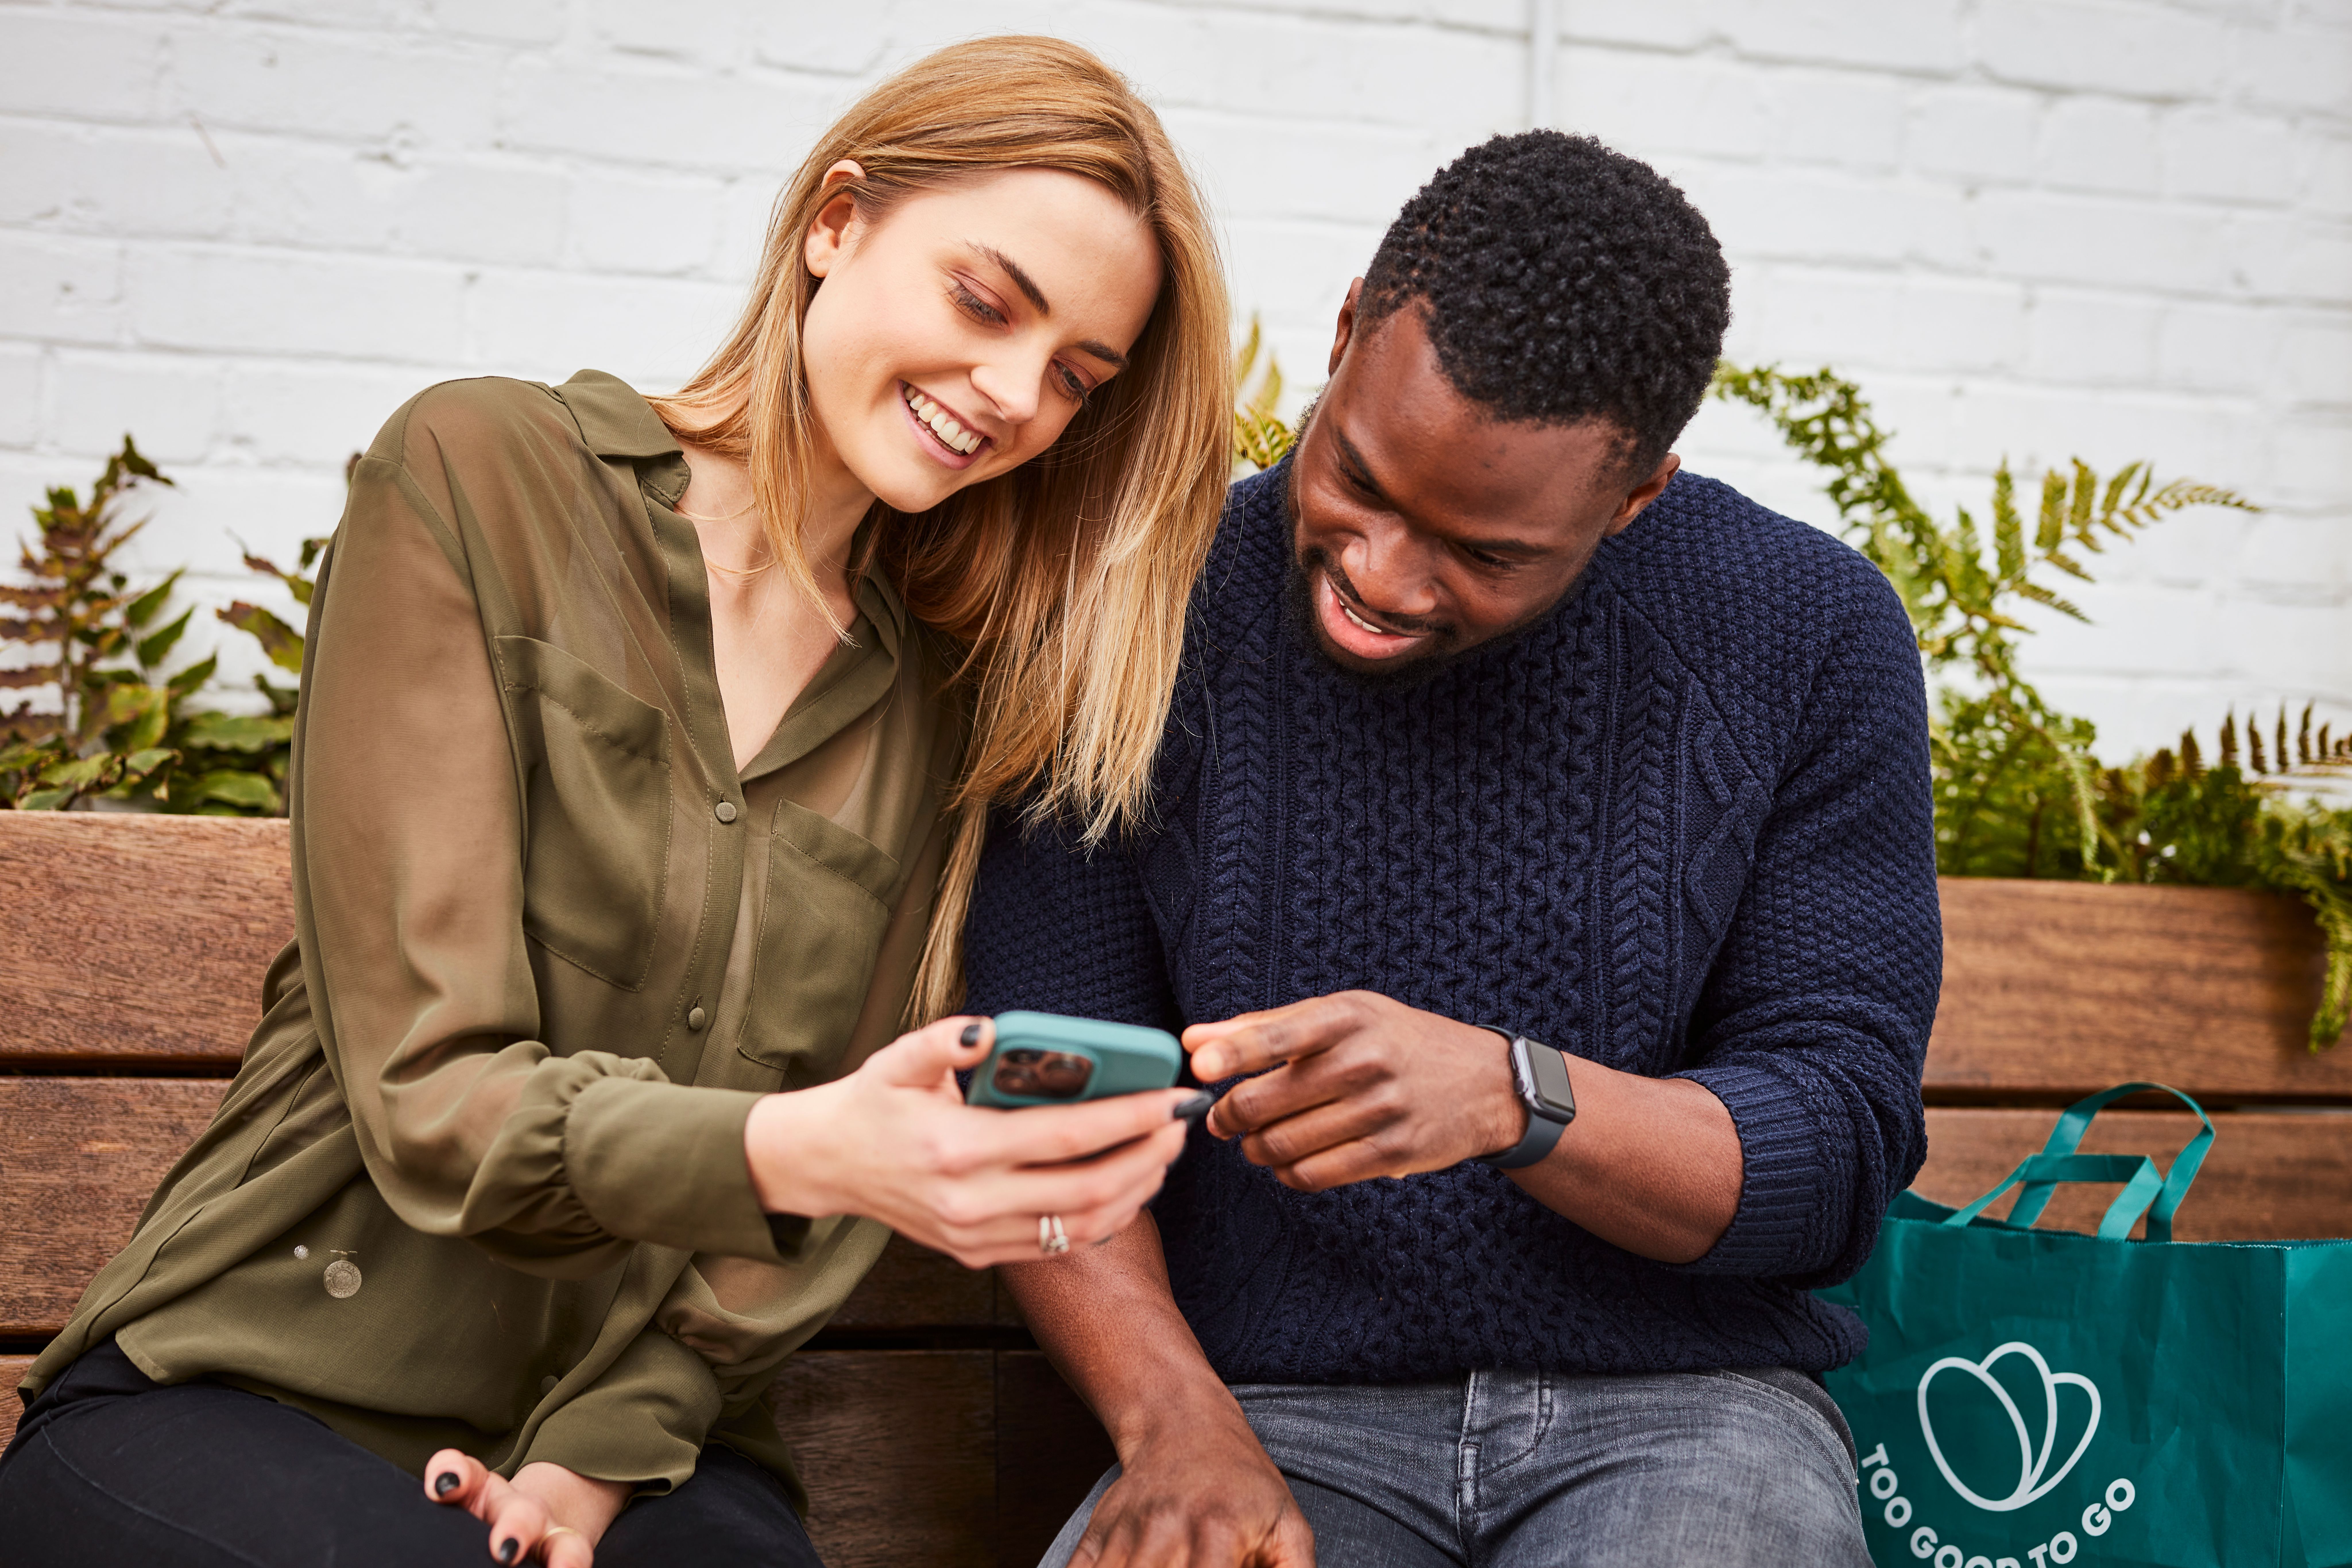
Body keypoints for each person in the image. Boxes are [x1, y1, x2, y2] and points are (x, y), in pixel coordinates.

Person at [0, 36, 1233, 1568]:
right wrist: (803, 1144)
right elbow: (431, 1088)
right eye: (988, 303)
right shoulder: (481, 478)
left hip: (639, 1445)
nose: (1010, 395)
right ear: (834, 224)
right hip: (251, 1387)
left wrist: (598, 1454)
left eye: (1074, 378)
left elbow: (842, 1157)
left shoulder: (941, 695)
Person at [966, 130, 1939, 1568]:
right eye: (1354, 477)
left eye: (1481, 554)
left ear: (1632, 499)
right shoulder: (1139, 613)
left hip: (1684, 1416)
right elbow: (1038, 1076)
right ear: (1347, 327)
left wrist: (1513, 1098)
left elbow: (1834, 1146)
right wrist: (1173, 1423)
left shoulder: (1802, 632)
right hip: (1268, 1412)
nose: (1377, 576)